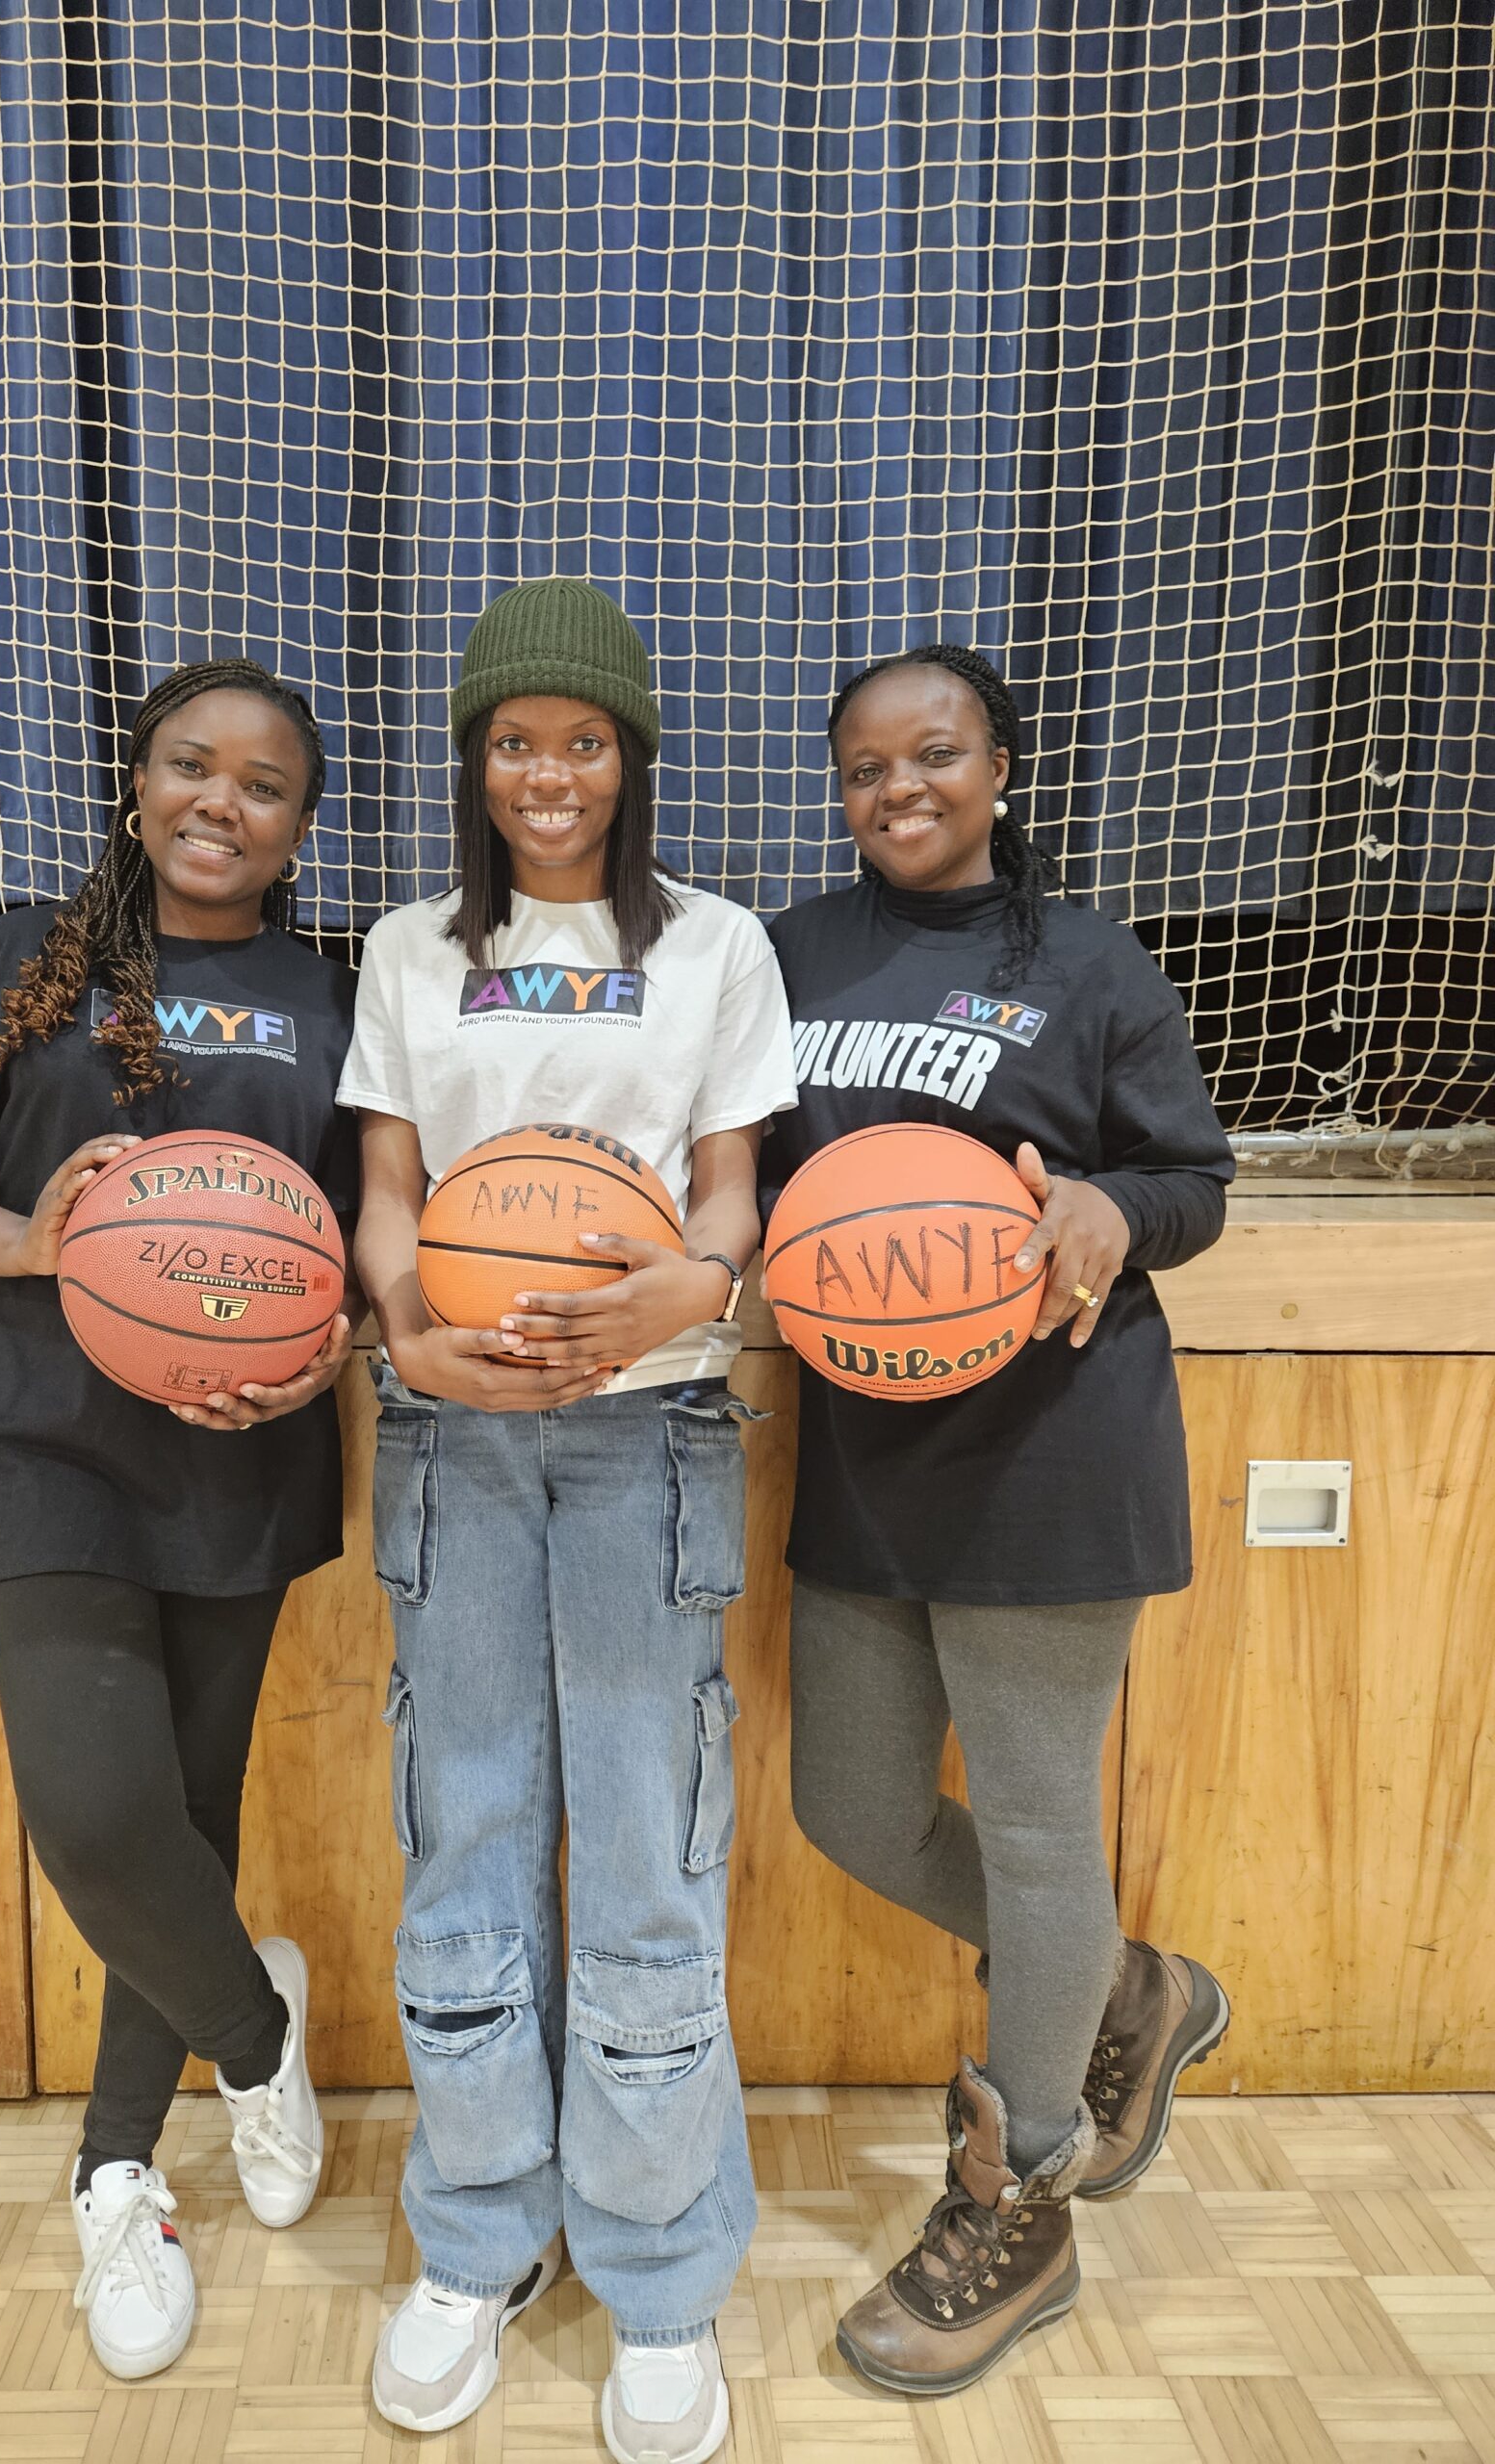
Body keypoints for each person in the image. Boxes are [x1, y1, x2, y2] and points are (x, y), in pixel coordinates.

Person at [341, 578, 796, 2464]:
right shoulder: (405, 949)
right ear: (476, 757)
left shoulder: (716, 944)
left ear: (632, 757)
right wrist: (408, 1327)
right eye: (516, 739)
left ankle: (661, 2270)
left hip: (647, 1432)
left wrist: (695, 1287)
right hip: (451, 1438)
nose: (550, 771)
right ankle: (477, 2240)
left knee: (644, 1850)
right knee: (460, 1836)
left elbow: (731, 1189)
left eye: (585, 739)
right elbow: (388, 1190)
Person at [0, 659, 360, 2381]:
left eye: (264, 785)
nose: (222, 802)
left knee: (185, 1820)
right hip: (42, 1446)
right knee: (93, 1819)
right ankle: (257, 2030)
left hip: (240, 1458)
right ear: (138, 783)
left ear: (303, 823)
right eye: (190, 766)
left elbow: (365, 1236)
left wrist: (324, 1356)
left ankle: (118, 2173)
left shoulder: (331, 997)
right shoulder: (20, 962)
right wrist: (28, 1245)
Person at [760, 644, 1233, 2398]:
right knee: (849, 1804)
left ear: (1002, 767)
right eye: (866, 766)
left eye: (936, 754)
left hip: (1053, 1450)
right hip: (868, 1452)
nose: (900, 788)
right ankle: (1124, 1984)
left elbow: (1191, 1178)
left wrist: (1112, 1206)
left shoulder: (1088, 963)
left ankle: (1022, 2196)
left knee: (1036, 1835)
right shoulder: (790, 954)